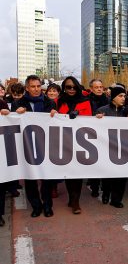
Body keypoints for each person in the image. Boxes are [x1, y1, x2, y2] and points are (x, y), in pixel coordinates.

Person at [8, 75, 57, 217]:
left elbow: (55, 124)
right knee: (30, 178)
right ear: (27, 88)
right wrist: (15, 114)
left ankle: (47, 205)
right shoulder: (19, 103)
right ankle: (36, 206)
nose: (36, 89)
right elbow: (12, 122)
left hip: (45, 145)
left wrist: (55, 115)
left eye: (38, 86)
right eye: (33, 87)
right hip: (27, 145)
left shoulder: (50, 103)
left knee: (47, 177)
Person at [54, 76, 92, 214]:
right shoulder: (58, 101)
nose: (71, 89)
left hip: (81, 141)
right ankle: (72, 198)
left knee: (78, 172)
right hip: (64, 141)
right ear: (64, 87)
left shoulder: (86, 101)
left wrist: (79, 116)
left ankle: (76, 201)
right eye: (68, 87)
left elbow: (90, 120)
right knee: (69, 172)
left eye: (74, 87)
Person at [96, 84, 128, 208]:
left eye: (124, 96)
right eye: (120, 96)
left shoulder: (127, 111)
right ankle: (106, 193)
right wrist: (97, 119)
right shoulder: (103, 110)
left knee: (121, 176)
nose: (123, 98)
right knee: (107, 174)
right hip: (106, 148)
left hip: (123, 149)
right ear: (113, 98)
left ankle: (116, 199)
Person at [88, 79, 110, 197]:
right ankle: (94, 187)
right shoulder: (87, 101)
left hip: (105, 136)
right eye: (96, 87)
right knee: (94, 162)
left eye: (101, 86)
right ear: (91, 89)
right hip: (92, 135)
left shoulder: (108, 100)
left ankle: (104, 186)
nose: (99, 89)